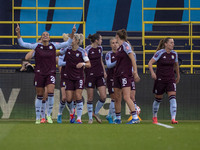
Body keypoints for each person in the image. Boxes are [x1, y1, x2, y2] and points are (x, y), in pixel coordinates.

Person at [16, 23, 76, 124]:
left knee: (51, 92)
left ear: (49, 38)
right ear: (41, 37)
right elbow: (22, 44)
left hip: (51, 73)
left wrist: (73, 33)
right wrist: (18, 33)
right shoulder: (37, 46)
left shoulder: (54, 46)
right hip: (39, 73)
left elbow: (67, 43)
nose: (45, 36)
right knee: (39, 95)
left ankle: (48, 115)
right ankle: (38, 117)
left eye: (47, 35)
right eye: (43, 34)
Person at [57, 33, 91, 124]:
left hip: (79, 77)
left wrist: (83, 64)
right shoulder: (66, 49)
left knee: (79, 96)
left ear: (76, 41)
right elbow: (58, 53)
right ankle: (72, 113)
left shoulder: (82, 51)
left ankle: (79, 118)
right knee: (68, 99)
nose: (70, 41)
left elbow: (88, 64)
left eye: (72, 39)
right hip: (68, 77)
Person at [148, 38, 180, 124]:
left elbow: (176, 65)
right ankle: (154, 117)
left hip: (170, 79)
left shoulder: (174, 54)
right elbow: (150, 63)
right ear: (165, 44)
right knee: (158, 99)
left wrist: (178, 76)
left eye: (173, 42)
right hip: (160, 79)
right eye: (171, 42)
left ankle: (173, 119)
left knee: (173, 98)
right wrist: (152, 73)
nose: (173, 44)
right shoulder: (160, 53)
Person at [114, 29, 140, 124]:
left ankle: (135, 117)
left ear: (117, 36)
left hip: (125, 75)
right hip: (117, 75)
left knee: (126, 96)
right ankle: (118, 118)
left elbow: (132, 58)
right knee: (117, 97)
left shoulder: (125, 45)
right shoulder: (120, 47)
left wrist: (135, 72)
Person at [85, 33, 107, 124]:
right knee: (90, 98)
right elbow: (84, 61)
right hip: (90, 75)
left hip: (100, 74)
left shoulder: (100, 48)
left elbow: (101, 60)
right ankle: (90, 118)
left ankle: (95, 113)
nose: (101, 41)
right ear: (96, 40)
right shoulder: (87, 49)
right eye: (100, 39)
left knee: (103, 96)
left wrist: (104, 71)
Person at [57, 33, 77, 124]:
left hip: (74, 75)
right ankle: (59, 114)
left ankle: (72, 115)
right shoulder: (63, 49)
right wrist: (70, 62)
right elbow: (60, 63)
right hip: (65, 76)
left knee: (73, 98)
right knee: (64, 97)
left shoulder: (77, 50)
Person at [105, 37, 119, 123]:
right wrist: (118, 61)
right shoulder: (108, 54)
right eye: (113, 43)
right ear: (110, 45)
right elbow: (109, 65)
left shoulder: (121, 54)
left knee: (117, 97)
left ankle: (109, 115)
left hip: (119, 77)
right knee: (114, 97)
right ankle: (114, 117)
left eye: (116, 43)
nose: (115, 44)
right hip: (111, 78)